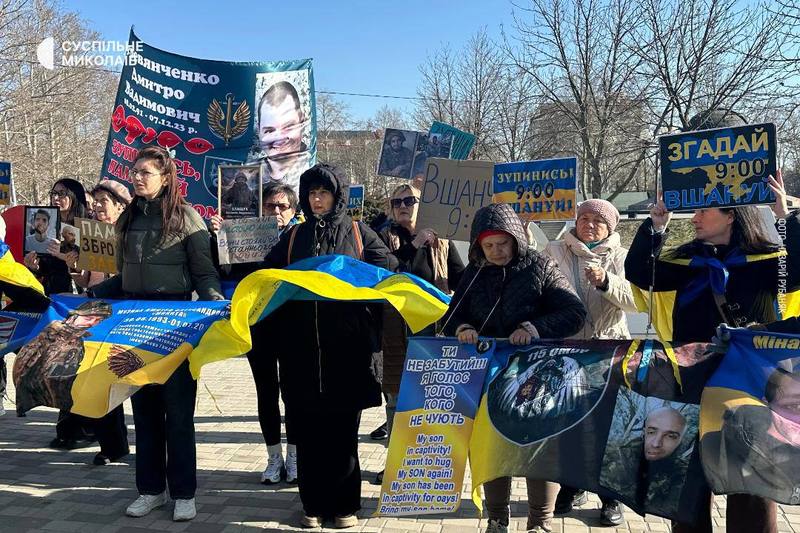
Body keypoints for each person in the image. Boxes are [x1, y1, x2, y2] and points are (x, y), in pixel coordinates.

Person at [624, 110, 800, 533]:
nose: (696, 218)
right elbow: (639, 272)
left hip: (749, 385)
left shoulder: (765, 261)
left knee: (750, 482)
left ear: (732, 214)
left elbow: (795, 272)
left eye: (705, 210)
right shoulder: (685, 261)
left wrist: (786, 218)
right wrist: (656, 227)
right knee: (689, 476)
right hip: (693, 380)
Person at [89, 145, 223, 522]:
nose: (137, 178)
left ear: (165, 178)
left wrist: (214, 303)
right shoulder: (128, 219)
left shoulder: (187, 217)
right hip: (135, 326)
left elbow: (204, 273)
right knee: (145, 413)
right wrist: (93, 295)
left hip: (175, 327)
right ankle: (150, 490)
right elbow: (124, 276)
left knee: (177, 415)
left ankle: (183, 493)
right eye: (135, 172)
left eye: (145, 172)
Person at [261, 163, 397, 529]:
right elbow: (265, 275)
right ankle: (313, 504)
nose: (317, 199)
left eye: (324, 193)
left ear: (337, 197)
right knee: (307, 433)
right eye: (312, 193)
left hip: (348, 352)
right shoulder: (293, 237)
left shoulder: (358, 233)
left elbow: (388, 272)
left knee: (342, 435)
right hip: (301, 352)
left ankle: (344, 505)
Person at [443, 202, 586, 533]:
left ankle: (540, 521)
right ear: (478, 246)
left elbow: (574, 313)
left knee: (539, 450)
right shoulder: (474, 273)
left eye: (503, 243)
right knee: (494, 448)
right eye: (489, 246)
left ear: (516, 238)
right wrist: (462, 327)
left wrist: (534, 328)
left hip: (539, 375)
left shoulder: (540, 265)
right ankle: (497, 519)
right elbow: (449, 317)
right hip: (489, 377)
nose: (497, 251)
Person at [544, 199, 635, 526]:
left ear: (610, 227)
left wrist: (606, 282)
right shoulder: (555, 251)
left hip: (609, 349)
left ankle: (611, 496)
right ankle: (572, 486)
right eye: (584, 218)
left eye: (598, 220)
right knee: (569, 422)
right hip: (567, 350)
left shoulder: (623, 256)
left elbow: (636, 300)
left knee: (609, 426)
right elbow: (539, 288)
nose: (589, 224)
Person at [210, 180, 302, 485]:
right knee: (266, 391)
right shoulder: (246, 233)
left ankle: (295, 455)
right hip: (258, 325)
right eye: (270, 205)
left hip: (292, 326)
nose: (276, 211)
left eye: (282, 206)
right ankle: (273, 457)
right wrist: (220, 238)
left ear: (293, 210)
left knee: (293, 392)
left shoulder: (300, 237)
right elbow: (226, 272)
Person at [372, 183, 465, 484]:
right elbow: (390, 272)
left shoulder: (442, 241)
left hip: (433, 334)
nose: (403, 206)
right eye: (397, 201)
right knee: (397, 401)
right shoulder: (383, 238)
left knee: (429, 401)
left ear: (422, 205)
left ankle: (424, 463)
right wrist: (415, 243)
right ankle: (395, 462)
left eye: (410, 200)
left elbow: (461, 279)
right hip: (396, 333)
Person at [68, 180, 133, 466]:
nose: (97, 206)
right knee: (97, 375)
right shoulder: (91, 233)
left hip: (124, 311)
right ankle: (112, 445)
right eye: (95, 201)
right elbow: (85, 279)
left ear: (120, 206)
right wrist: (73, 266)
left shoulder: (130, 234)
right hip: (95, 310)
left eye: (103, 201)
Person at [254, 81, 311, 190]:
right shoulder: (248, 175)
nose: (279, 138)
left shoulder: (313, 173)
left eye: (288, 127)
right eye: (269, 131)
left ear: (302, 120)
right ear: (259, 130)